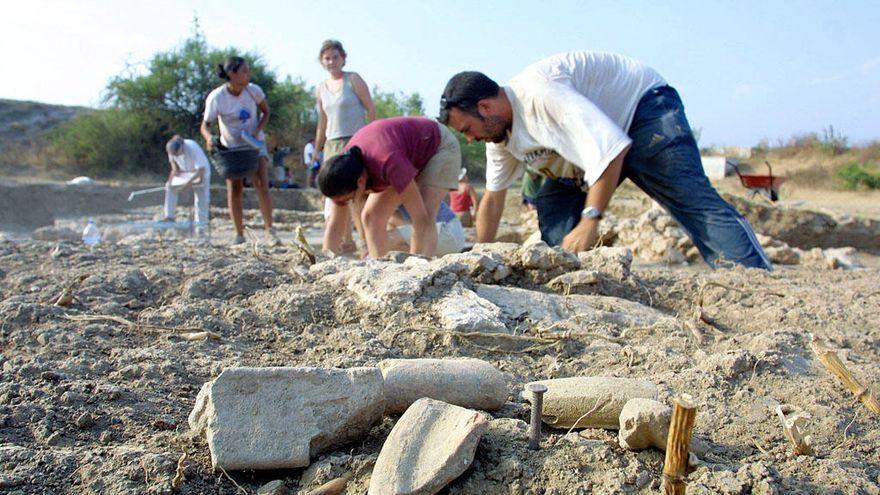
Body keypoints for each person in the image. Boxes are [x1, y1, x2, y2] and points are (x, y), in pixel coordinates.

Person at [439, 51, 772, 270]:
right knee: (557, 232)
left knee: (690, 199)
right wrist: (481, 256)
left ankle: (754, 279)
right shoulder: (498, 137)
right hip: (581, 154)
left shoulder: (541, 96)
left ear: (485, 107)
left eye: (468, 129)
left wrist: (590, 220)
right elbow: (494, 199)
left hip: (642, 110)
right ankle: (582, 287)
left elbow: (610, 149)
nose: (470, 139)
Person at [319, 116, 461, 258]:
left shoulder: (388, 162)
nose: (345, 203)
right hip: (401, 152)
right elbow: (336, 225)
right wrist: (324, 265)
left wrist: (413, 267)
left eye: (348, 199)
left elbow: (420, 219)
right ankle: (378, 265)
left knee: (426, 213)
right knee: (371, 216)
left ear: (361, 182)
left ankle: (422, 270)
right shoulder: (341, 172)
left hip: (438, 144)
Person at [200, 56, 279, 245]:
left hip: (254, 143)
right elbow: (205, 125)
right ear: (232, 74)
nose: (248, 75)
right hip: (232, 147)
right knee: (235, 188)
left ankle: (270, 231)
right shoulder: (217, 97)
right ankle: (239, 234)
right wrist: (209, 138)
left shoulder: (253, 91)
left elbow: (266, 112)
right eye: (244, 71)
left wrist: (257, 130)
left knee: (261, 183)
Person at [314, 40, 376, 250]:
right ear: (322, 61)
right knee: (335, 193)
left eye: (335, 57)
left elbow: (370, 108)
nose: (332, 61)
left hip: (355, 141)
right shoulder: (320, 88)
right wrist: (317, 149)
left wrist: (371, 135)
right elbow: (322, 122)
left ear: (343, 58)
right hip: (332, 143)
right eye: (327, 58)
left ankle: (365, 240)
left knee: (358, 192)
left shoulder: (353, 79)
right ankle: (345, 240)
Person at [162, 135, 210, 232]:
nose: (177, 156)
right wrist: (170, 181)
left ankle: (201, 227)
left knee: (201, 199)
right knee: (169, 187)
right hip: (185, 173)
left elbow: (201, 170)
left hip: (200, 173)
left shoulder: (192, 147)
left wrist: (187, 185)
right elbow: (174, 168)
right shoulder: (171, 149)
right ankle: (169, 216)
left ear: (182, 146)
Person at [387, 202, 465, 255]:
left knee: (385, 239)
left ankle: (419, 260)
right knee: (387, 229)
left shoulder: (400, 186)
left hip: (447, 231)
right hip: (452, 234)